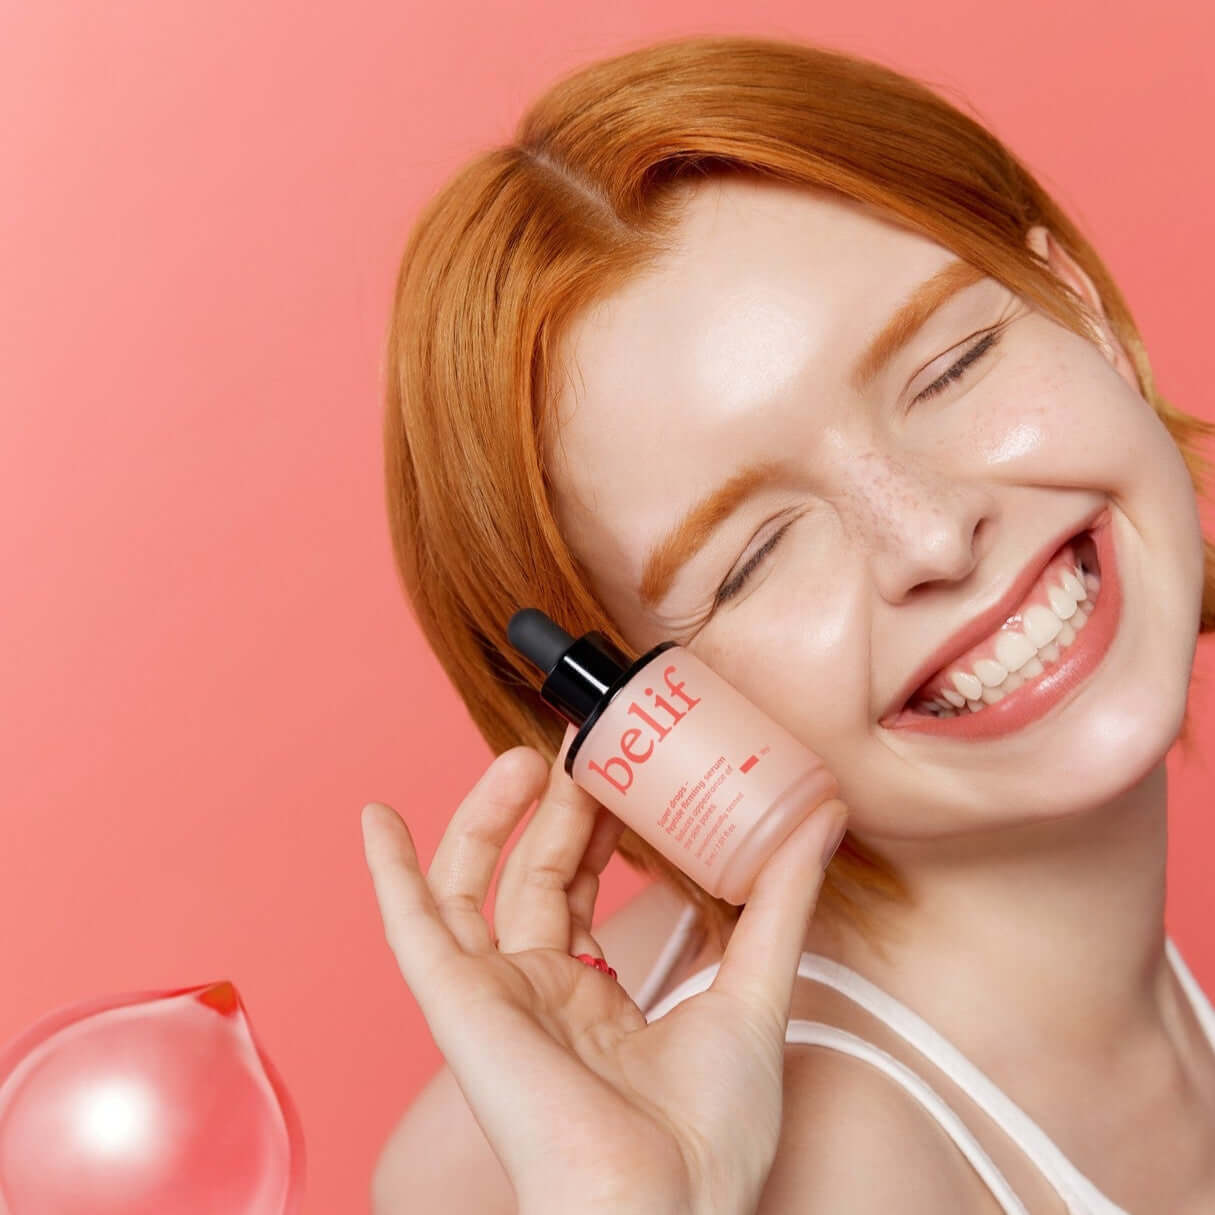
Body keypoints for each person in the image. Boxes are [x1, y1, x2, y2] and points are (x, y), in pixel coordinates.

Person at [364, 32, 1215, 1214]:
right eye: (755, 557)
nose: (930, 537)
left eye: (952, 366)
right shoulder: (848, 1172)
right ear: (641, 723)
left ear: (1075, 305)